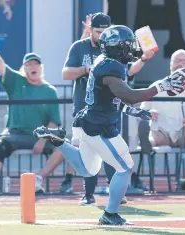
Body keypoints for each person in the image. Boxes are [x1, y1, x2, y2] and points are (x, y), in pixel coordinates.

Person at [34, 25, 185, 225]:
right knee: (125, 167)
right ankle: (110, 214)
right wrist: (160, 86)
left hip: (89, 122)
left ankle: (60, 142)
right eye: (128, 45)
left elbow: (114, 100)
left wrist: (138, 112)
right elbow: (129, 96)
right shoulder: (110, 67)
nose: (131, 48)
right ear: (117, 47)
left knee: (87, 170)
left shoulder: (105, 63)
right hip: (100, 127)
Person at [60, 12, 152, 205]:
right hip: (85, 108)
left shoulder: (113, 53)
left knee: (111, 154)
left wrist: (143, 59)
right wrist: (89, 69)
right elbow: (66, 73)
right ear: (90, 30)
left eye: (105, 32)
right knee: (90, 154)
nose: (101, 35)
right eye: (98, 31)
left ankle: (115, 191)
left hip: (108, 108)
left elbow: (126, 73)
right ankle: (89, 194)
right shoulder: (80, 47)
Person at [0, 26, 63, 194]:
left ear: (41, 68)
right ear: (23, 68)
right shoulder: (16, 81)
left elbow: (54, 121)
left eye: (36, 64)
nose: (33, 67)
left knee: (62, 149)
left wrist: (42, 140)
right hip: (14, 134)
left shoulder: (50, 90)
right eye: (29, 64)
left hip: (39, 135)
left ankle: (38, 179)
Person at [139, 49, 185, 191]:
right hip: (163, 131)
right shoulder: (157, 86)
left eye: (184, 61)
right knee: (152, 136)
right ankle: (146, 144)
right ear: (170, 65)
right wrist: (149, 113)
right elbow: (143, 108)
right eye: (177, 61)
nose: (180, 64)